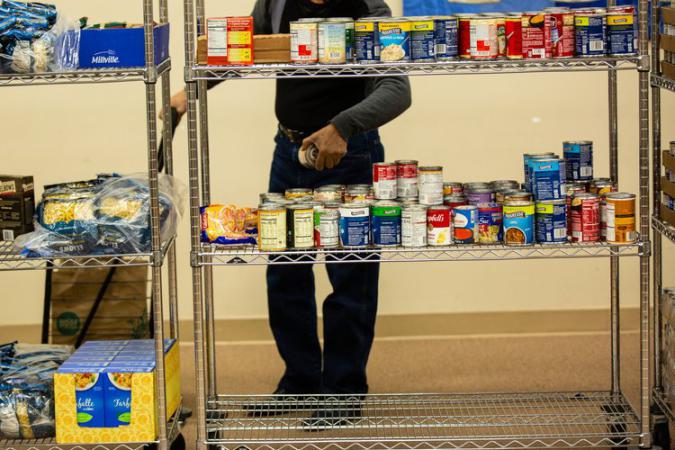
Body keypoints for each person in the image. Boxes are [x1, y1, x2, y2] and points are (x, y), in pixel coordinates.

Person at [171, 0, 411, 430]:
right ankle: (301, 380)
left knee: (350, 279)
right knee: (285, 272)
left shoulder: (368, 7)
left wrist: (343, 126)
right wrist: (190, 91)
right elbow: (242, 48)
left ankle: (342, 392)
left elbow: (397, 89)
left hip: (350, 155)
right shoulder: (276, 2)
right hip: (289, 151)